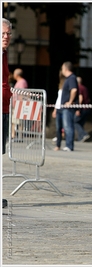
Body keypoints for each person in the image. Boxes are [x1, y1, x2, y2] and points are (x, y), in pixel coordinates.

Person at [2, 18, 12, 209]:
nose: (6, 37)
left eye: (8, 34)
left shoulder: (4, 54)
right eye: (3, 34)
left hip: (3, 109)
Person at [60, 61, 79, 152]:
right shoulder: (70, 78)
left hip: (68, 107)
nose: (62, 70)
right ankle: (68, 145)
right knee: (67, 126)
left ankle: (69, 145)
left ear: (66, 69)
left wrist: (70, 102)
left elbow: (74, 90)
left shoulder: (71, 78)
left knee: (68, 126)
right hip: (66, 107)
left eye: (62, 68)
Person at [11, 68, 28, 140]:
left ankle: (16, 135)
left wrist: (20, 104)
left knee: (18, 121)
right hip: (16, 103)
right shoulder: (19, 82)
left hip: (18, 104)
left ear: (17, 75)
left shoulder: (22, 82)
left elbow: (22, 93)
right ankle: (14, 134)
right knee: (15, 121)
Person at [52, 70, 66, 151]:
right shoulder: (61, 84)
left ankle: (68, 144)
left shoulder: (68, 82)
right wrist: (55, 109)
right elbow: (58, 98)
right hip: (59, 107)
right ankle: (58, 144)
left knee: (65, 127)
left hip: (64, 107)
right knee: (58, 127)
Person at [74, 76, 91, 142]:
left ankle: (84, 134)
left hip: (82, 109)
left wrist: (78, 109)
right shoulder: (85, 88)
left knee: (75, 122)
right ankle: (80, 138)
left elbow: (80, 98)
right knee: (80, 124)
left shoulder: (79, 88)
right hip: (87, 108)